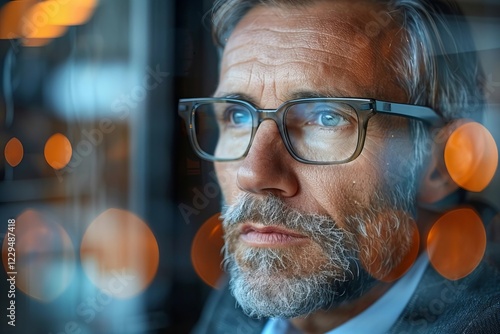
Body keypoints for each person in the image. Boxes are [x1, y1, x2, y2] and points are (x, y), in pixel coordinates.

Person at [178, 0, 500, 333]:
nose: (253, 174)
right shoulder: (232, 312)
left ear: (441, 165)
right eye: (238, 115)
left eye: (326, 117)